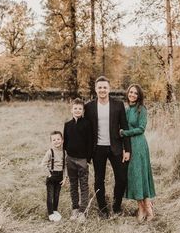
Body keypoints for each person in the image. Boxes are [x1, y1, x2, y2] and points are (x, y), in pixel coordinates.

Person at [84, 76, 131, 218]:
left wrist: (127, 149)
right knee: (99, 179)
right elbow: (86, 131)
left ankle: (116, 207)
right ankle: (103, 209)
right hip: (97, 148)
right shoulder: (89, 106)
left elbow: (125, 127)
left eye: (105, 87)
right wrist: (86, 153)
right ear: (95, 89)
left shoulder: (118, 105)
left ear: (109, 89)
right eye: (100, 87)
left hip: (115, 147)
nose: (102, 90)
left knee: (122, 178)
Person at [120, 84, 156, 222]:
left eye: (135, 93)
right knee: (134, 176)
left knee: (140, 175)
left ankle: (148, 208)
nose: (133, 94)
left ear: (139, 95)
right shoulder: (126, 109)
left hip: (139, 145)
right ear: (127, 93)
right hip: (129, 146)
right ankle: (141, 207)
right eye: (131, 92)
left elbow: (141, 128)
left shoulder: (142, 109)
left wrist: (125, 133)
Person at [63, 98, 92, 223]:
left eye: (80, 109)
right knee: (73, 185)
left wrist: (88, 159)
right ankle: (75, 208)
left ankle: (82, 211)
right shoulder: (67, 125)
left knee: (84, 186)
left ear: (83, 110)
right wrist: (65, 158)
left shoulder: (87, 124)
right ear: (71, 110)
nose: (77, 110)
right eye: (75, 108)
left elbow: (90, 143)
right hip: (70, 159)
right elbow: (65, 143)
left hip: (82, 160)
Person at [42, 130, 66, 222]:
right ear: (51, 142)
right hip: (51, 176)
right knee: (50, 195)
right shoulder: (50, 152)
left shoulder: (64, 152)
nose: (56, 141)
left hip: (60, 176)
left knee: (57, 195)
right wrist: (48, 174)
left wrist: (65, 178)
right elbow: (43, 164)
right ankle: (50, 213)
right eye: (54, 140)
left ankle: (55, 210)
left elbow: (66, 166)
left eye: (58, 139)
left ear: (62, 140)